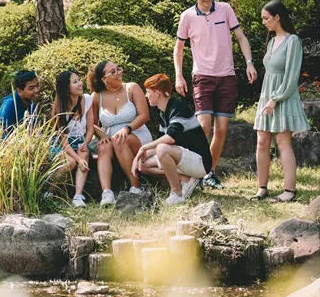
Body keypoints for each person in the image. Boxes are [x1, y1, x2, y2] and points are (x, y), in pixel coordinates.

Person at [174, 0, 257, 189]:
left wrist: (249, 62)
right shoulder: (187, 17)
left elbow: (240, 37)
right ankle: (190, 168)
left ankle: (209, 172)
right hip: (202, 76)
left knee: (221, 129)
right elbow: (179, 48)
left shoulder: (225, 9)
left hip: (227, 76)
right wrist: (178, 76)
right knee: (203, 125)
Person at [250, 1, 309, 203]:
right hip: (267, 95)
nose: (264, 22)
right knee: (261, 142)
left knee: (283, 142)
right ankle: (262, 188)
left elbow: (292, 76)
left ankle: (289, 191)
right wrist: (268, 97)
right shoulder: (272, 41)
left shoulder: (293, 41)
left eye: (266, 18)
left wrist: (276, 98)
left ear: (278, 17)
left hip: (282, 96)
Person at [132, 74, 212, 205]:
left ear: (157, 93)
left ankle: (177, 194)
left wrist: (143, 147)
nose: (146, 96)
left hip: (200, 162)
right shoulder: (163, 112)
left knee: (162, 149)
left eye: (148, 92)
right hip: (183, 158)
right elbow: (161, 140)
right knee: (142, 164)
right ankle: (185, 179)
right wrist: (139, 156)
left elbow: (170, 138)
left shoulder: (177, 108)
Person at [86, 60, 153, 206]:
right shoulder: (97, 96)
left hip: (137, 134)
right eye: (113, 72)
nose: (118, 73)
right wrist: (102, 135)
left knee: (120, 140)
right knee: (103, 147)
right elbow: (92, 123)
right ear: (104, 79)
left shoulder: (132, 88)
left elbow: (144, 115)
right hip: (111, 137)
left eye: (118, 69)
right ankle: (107, 193)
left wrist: (126, 129)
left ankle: (136, 187)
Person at [50, 70, 93, 207]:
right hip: (62, 144)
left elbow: (91, 127)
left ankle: (78, 196)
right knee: (71, 163)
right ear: (67, 89)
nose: (80, 83)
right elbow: (62, 140)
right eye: (75, 82)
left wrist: (85, 143)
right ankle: (49, 191)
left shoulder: (86, 100)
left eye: (79, 80)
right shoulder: (59, 108)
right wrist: (78, 159)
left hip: (79, 140)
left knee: (84, 152)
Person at [0, 70, 39, 136]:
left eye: (37, 85)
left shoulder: (32, 103)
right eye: (31, 88)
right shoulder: (10, 104)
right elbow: (1, 134)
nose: (37, 90)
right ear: (20, 91)